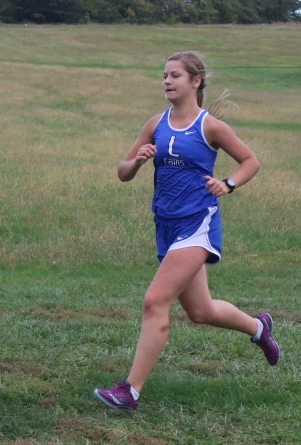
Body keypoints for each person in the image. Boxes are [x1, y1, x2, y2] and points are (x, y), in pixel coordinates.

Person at [93, 51, 280, 414]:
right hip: (165, 224)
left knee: (154, 301)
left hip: (198, 223)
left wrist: (228, 183)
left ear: (195, 81)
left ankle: (130, 392)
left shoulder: (211, 126)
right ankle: (259, 328)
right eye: (164, 75)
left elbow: (250, 161)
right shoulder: (155, 123)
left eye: (174, 75)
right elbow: (122, 171)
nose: (166, 81)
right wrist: (137, 160)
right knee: (201, 310)